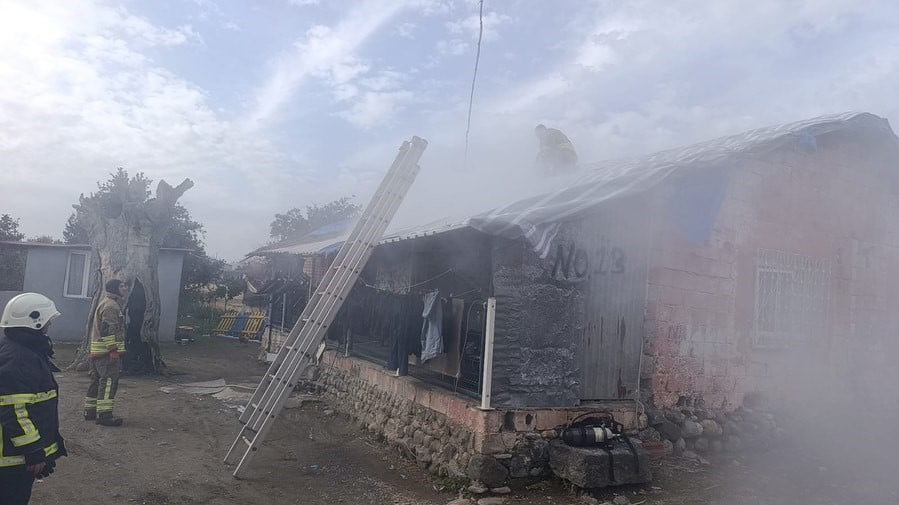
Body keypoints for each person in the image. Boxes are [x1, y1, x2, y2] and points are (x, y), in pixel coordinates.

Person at [0, 293, 67, 505]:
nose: (49, 324)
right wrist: (34, 451)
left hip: (13, 456)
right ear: (35, 321)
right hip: (11, 460)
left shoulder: (15, 349)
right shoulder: (20, 358)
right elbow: (15, 409)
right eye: (48, 320)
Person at [83, 279, 127, 427]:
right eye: (122, 286)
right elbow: (107, 329)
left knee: (96, 381)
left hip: (98, 352)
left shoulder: (105, 303)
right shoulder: (111, 306)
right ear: (115, 289)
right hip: (107, 354)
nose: (125, 289)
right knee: (108, 382)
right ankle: (105, 415)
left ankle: (90, 411)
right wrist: (113, 350)